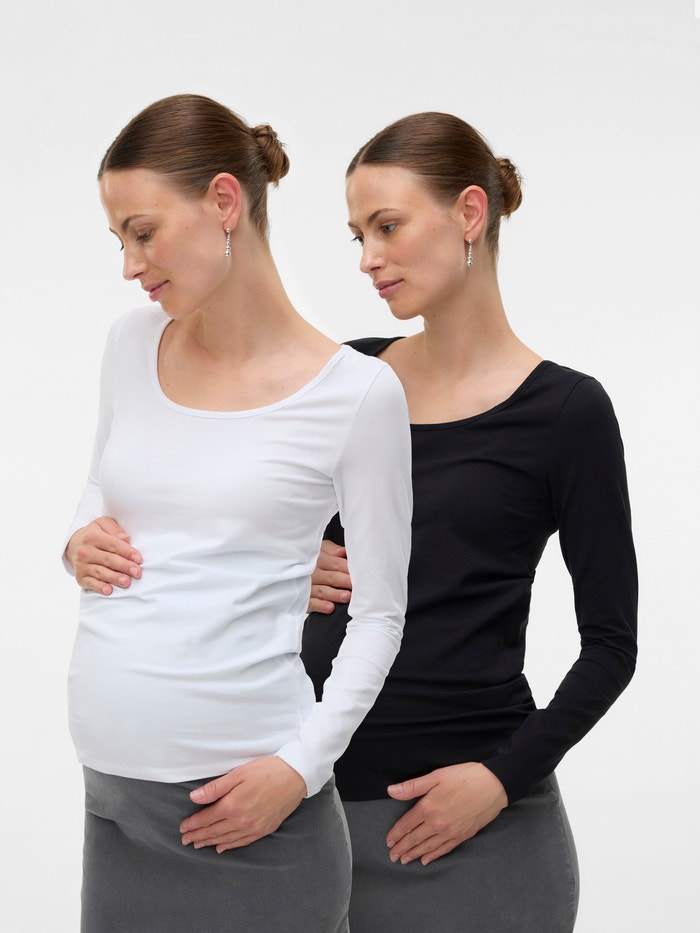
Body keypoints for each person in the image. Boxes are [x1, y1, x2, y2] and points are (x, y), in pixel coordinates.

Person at [63, 93, 412, 933]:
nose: (129, 265)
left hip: (257, 825)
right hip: (114, 808)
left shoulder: (356, 395)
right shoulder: (129, 345)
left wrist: (299, 767)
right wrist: (76, 539)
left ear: (224, 201)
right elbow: (101, 483)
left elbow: (381, 614)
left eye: (142, 232)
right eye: (118, 240)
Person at [302, 111, 638, 933]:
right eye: (357, 235)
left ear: (469, 214)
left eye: (387, 226)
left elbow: (612, 645)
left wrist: (499, 779)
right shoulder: (347, 376)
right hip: (307, 820)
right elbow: (227, 522)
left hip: (479, 838)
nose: (368, 257)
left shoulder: (567, 411)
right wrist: (282, 562)